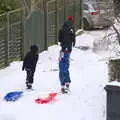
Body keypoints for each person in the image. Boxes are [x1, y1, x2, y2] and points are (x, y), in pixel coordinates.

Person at [58, 16, 76, 93]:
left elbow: (59, 39)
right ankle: (67, 83)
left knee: (62, 68)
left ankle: (63, 85)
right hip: (68, 50)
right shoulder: (71, 29)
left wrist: (62, 44)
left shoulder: (62, 30)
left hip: (63, 50)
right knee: (65, 65)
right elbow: (73, 39)